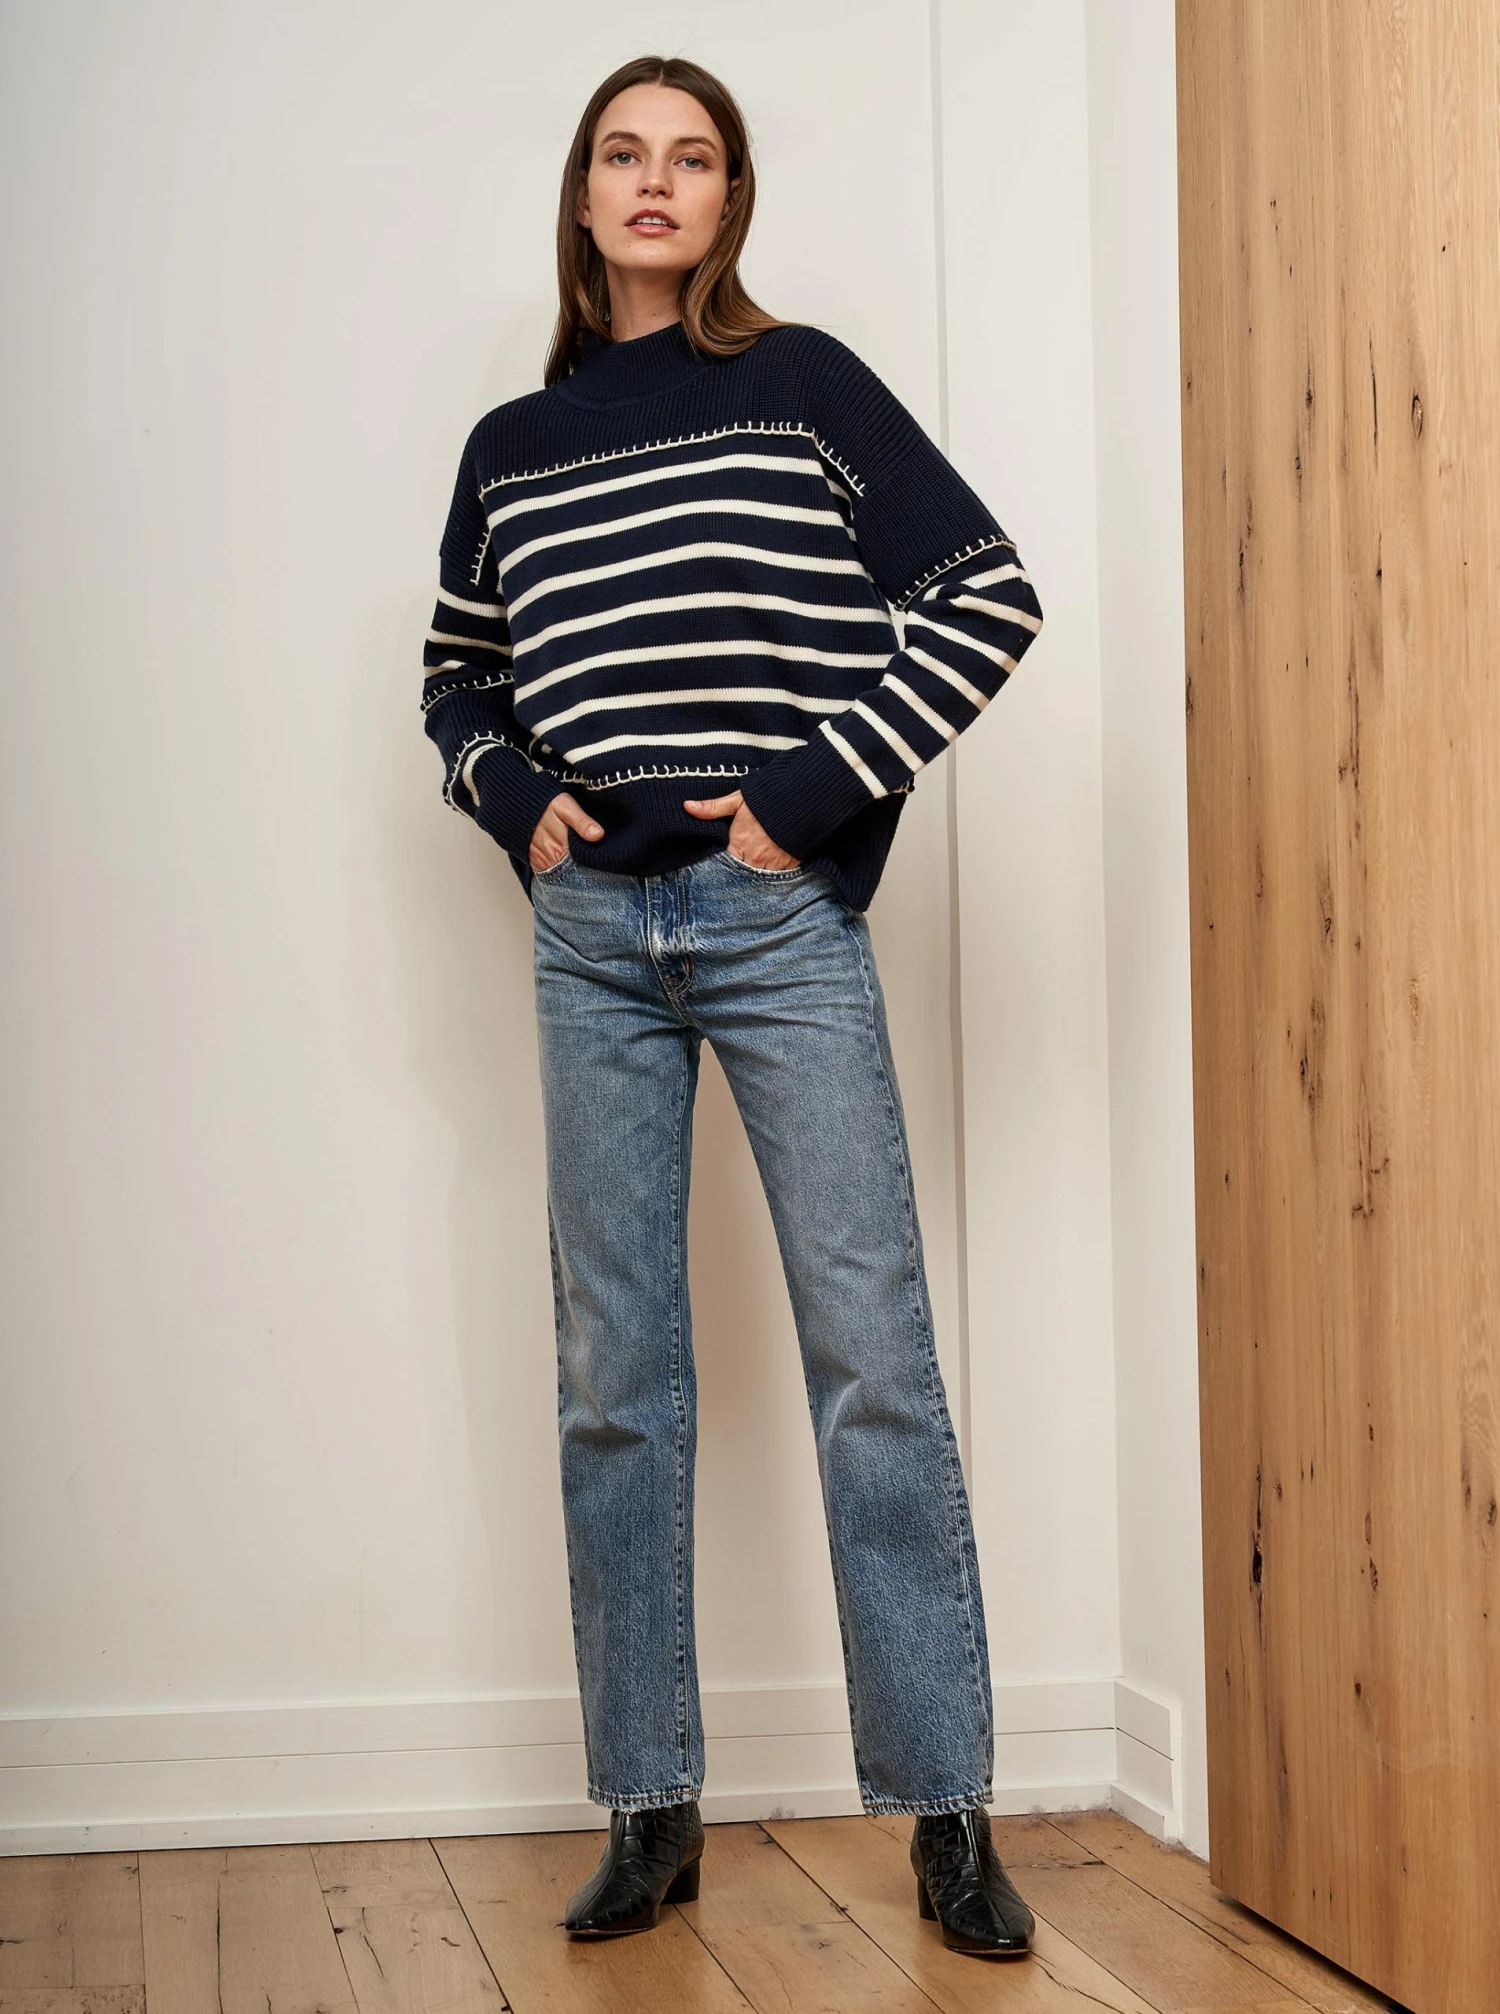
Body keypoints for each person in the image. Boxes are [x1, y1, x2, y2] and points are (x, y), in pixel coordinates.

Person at [421, 53, 1043, 1962]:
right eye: (624, 154)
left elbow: (987, 598)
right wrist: (513, 797)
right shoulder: (510, 448)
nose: (655, 182)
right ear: (583, 193)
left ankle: (946, 1810)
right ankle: (651, 1804)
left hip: (777, 924)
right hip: (590, 939)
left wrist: (805, 795)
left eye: (692, 158)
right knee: (616, 1380)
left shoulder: (804, 385)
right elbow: (456, 676)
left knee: (872, 1359)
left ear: (729, 199)